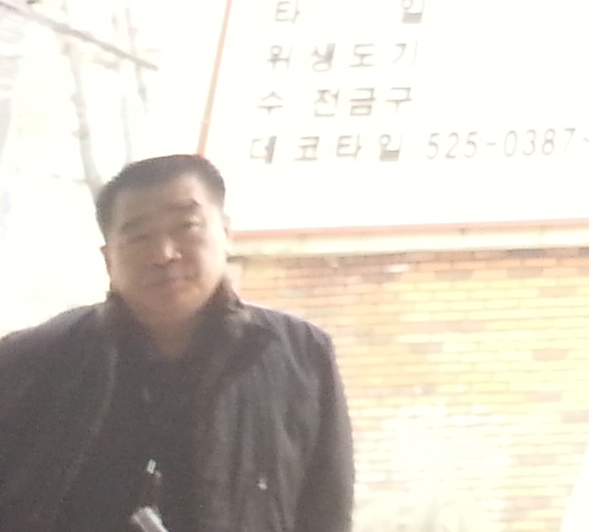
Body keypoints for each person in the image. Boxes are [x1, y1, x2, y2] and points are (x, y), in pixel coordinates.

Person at [0, 153, 352, 532]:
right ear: (108, 258)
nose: (164, 254)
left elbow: (327, 511)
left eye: (187, 226)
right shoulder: (30, 363)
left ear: (226, 233)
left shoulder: (301, 356)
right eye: (138, 236)